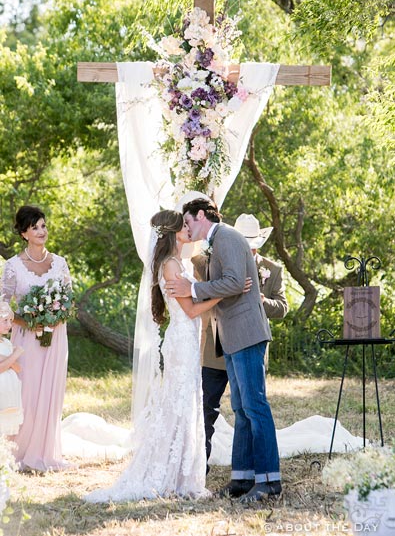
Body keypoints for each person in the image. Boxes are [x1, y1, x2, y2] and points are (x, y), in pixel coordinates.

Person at [85, 210, 224, 503]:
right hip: (182, 341)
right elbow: (191, 310)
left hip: (183, 339)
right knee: (180, 403)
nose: (188, 229)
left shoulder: (176, 262)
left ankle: (181, 473)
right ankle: (169, 473)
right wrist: (224, 294)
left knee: (183, 403)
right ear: (173, 232)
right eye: (184, 226)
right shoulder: (171, 266)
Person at [165, 198, 282, 502]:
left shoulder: (228, 236)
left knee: (255, 406)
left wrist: (192, 289)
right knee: (242, 410)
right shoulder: (217, 241)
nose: (186, 228)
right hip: (231, 335)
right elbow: (231, 282)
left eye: (188, 222)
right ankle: (242, 479)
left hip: (246, 333)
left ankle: (269, 481)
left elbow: (232, 282)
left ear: (201, 215)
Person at [195, 212, 288, 470]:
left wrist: (258, 300)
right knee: (211, 406)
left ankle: (262, 475)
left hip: (248, 337)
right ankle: (204, 465)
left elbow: (282, 307)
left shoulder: (272, 269)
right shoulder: (210, 258)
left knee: (251, 405)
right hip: (217, 343)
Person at [1, 205, 71, 472]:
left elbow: (67, 300)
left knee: (51, 390)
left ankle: (45, 450)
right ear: (23, 233)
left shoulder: (60, 263)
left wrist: (54, 317)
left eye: (43, 225)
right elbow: (3, 305)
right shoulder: (13, 267)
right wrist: (30, 320)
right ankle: (18, 450)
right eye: (35, 227)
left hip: (56, 336)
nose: (42, 231)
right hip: (26, 338)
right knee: (27, 391)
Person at [0, 301, 24, 436]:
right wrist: (15, 354)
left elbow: (18, 368)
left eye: (10, 321)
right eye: (5, 321)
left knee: (5, 428)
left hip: (9, 392)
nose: (9, 325)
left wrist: (7, 359)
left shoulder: (7, 343)